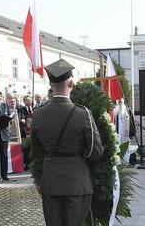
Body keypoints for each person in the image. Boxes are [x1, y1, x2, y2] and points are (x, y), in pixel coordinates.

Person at [31, 59, 104, 226]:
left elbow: (36, 153)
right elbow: (96, 151)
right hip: (78, 181)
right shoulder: (82, 113)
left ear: (50, 84)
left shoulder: (38, 114)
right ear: (71, 83)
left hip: (50, 181)